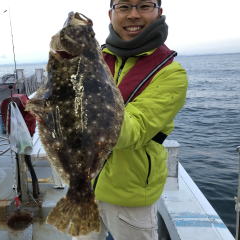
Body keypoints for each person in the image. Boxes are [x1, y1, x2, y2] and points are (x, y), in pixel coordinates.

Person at [73, 0, 188, 240]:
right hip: (84, 182)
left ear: (159, 12)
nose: (133, 15)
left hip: (130, 196)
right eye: (124, 7)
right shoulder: (94, 59)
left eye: (144, 6)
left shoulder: (170, 74)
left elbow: (131, 133)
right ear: (111, 13)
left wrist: (87, 91)